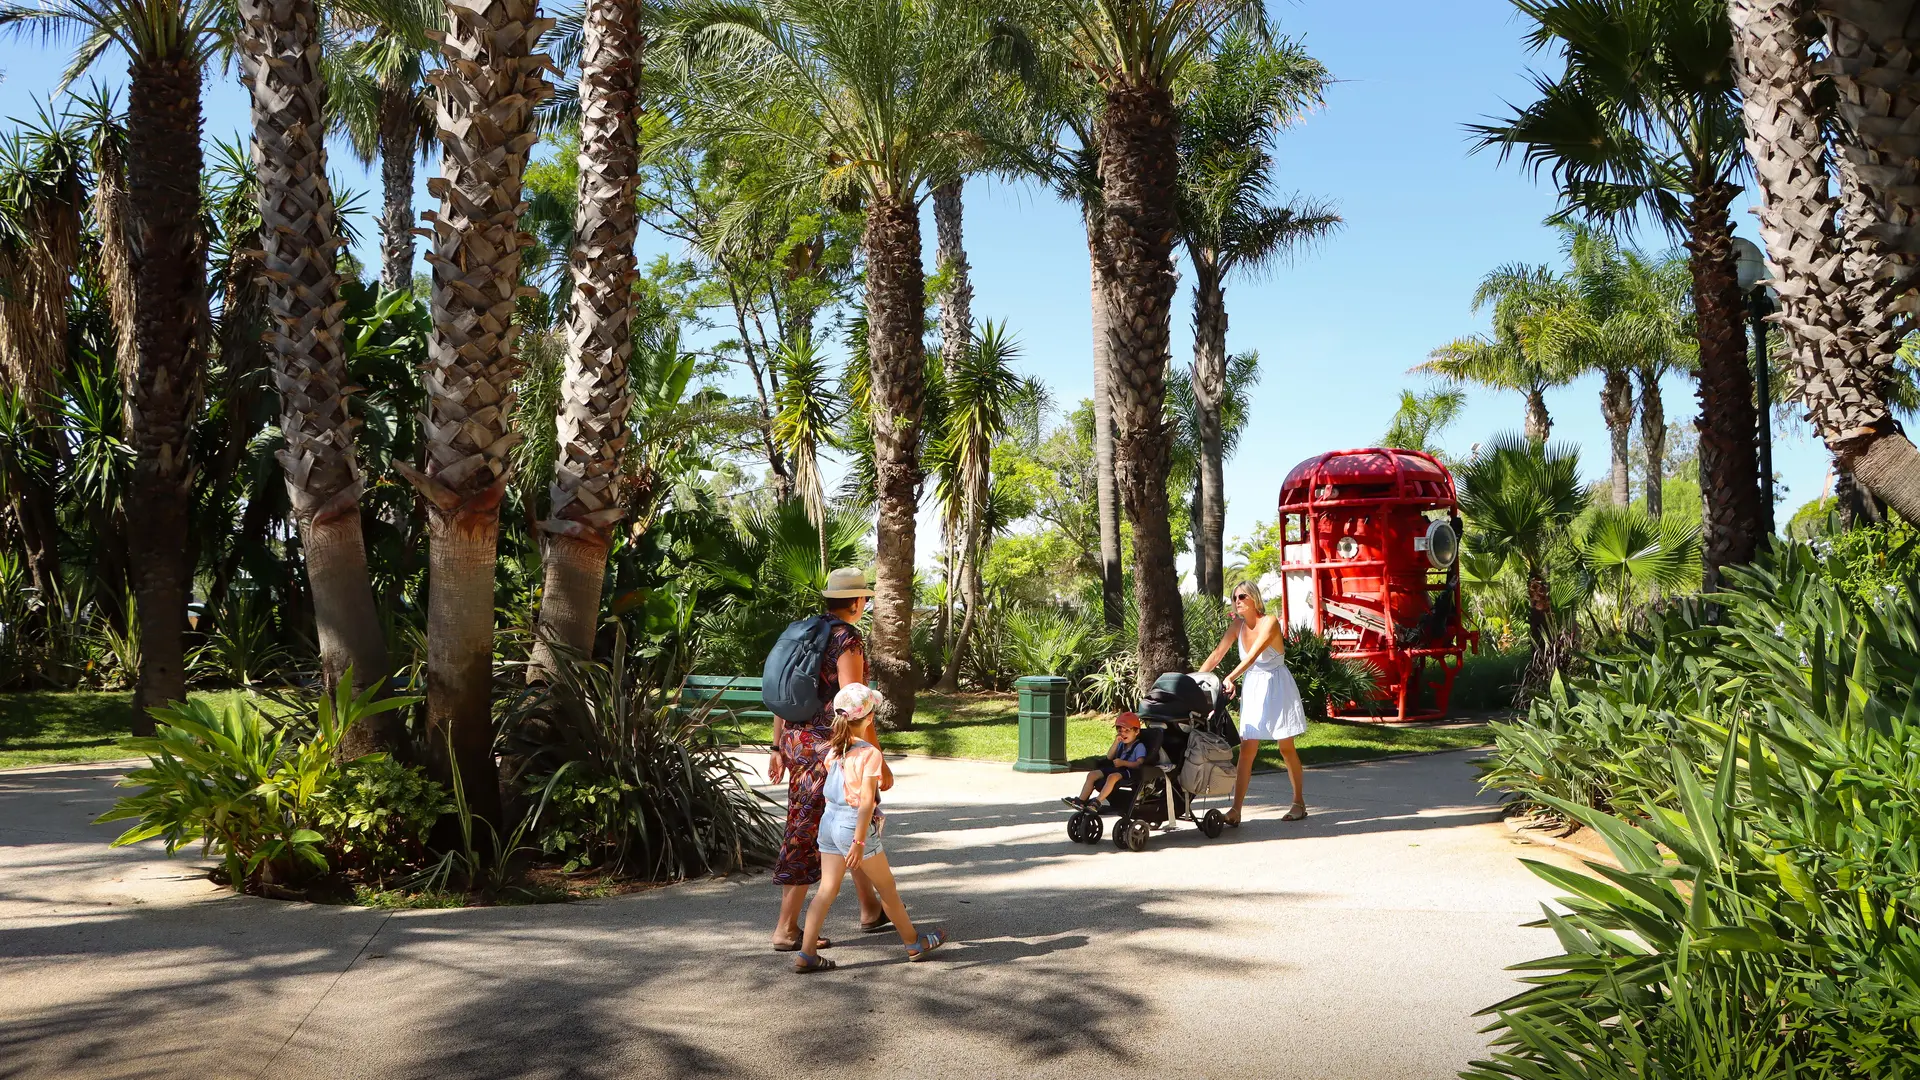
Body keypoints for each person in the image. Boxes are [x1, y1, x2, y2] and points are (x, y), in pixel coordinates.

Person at [769, 567, 889, 952]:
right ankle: (786, 929)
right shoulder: (846, 638)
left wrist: (777, 746)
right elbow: (855, 704)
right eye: (864, 598)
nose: (865, 603)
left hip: (796, 741)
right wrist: (875, 757)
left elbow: (785, 693)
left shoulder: (804, 632)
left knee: (845, 822)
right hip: (830, 749)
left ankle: (870, 909)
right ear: (855, 602)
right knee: (811, 830)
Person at [793, 683, 950, 973]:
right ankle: (913, 943)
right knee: (887, 888)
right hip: (852, 825)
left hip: (829, 821)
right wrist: (859, 841)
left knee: (826, 890)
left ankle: (807, 953)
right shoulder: (869, 754)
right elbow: (866, 801)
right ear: (869, 718)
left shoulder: (834, 750)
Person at [1198, 580, 1308, 826]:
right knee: (1247, 748)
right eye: (1234, 597)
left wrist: (1230, 677)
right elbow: (1217, 655)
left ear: (1254, 598)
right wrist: (1194, 680)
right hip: (1254, 686)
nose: (1237, 601)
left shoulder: (1269, 622)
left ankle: (1299, 802)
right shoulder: (1237, 625)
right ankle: (1235, 810)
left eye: (1242, 596)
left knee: (1286, 748)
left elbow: (1253, 656)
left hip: (1277, 685)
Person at [1061, 712, 1147, 811]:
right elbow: (1109, 757)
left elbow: (1139, 764)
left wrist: (1124, 763)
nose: (1122, 733)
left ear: (1136, 732)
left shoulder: (1139, 746)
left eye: (1127, 730)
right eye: (1120, 730)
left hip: (1129, 771)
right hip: (1117, 768)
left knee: (1112, 777)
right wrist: (1116, 742)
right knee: (1092, 775)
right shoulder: (1121, 744)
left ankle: (1097, 802)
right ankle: (1081, 801)